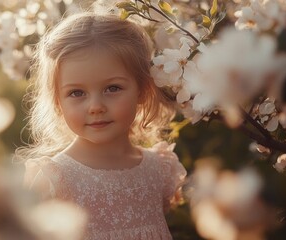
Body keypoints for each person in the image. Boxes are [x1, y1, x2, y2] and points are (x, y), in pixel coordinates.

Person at [18, 12, 187, 240]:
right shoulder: (54, 181)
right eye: (77, 93)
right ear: (58, 102)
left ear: (142, 90)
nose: (95, 106)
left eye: (112, 88)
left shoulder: (160, 169)